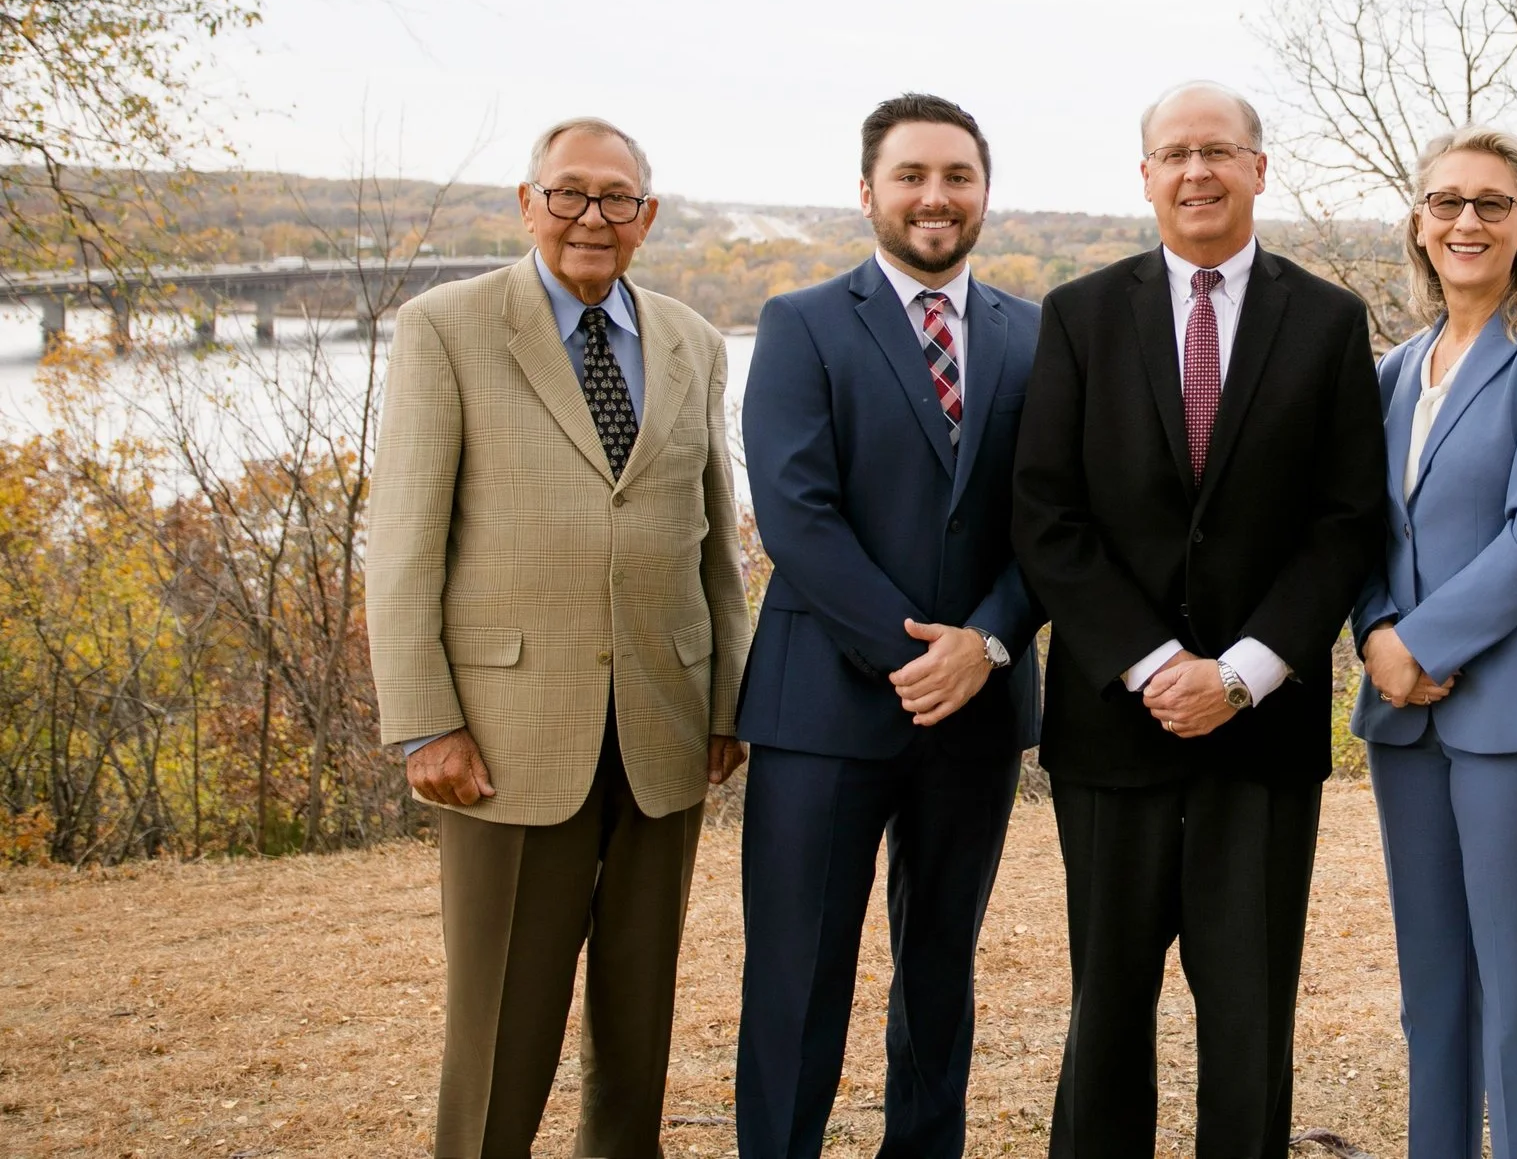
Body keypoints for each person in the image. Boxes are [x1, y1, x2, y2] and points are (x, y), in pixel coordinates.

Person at [1012, 81, 1387, 1159]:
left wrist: (1242, 671)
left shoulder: (1327, 320)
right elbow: (1046, 514)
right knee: (1106, 1011)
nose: (1196, 171)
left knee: (1249, 1018)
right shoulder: (1079, 315)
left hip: (1260, 734)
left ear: (1258, 168)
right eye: (1174, 153)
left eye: (1218, 150)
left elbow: (1345, 519)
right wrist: (1153, 661)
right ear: (1145, 176)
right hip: (1112, 730)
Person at [367, 116, 751, 1159]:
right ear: (528, 203)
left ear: (647, 216)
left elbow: (714, 537)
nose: (592, 215)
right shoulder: (447, 327)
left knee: (639, 1022)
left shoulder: (692, 340)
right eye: (569, 192)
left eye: (616, 197)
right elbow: (402, 543)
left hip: (664, 733)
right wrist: (425, 722)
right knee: (503, 1027)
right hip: (506, 740)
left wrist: (728, 699)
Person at [734, 94, 1043, 1159]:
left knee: (940, 972)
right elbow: (796, 515)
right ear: (868, 191)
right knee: (797, 976)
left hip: (978, 707)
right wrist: (920, 656)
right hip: (822, 706)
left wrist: (985, 643)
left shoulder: (1035, 333)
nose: (935, 195)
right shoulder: (801, 323)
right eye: (911, 174)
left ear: (984, 192)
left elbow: (1055, 519)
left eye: (957, 175)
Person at [1349, 126, 1517, 1159]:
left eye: (1491, 203)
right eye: (1447, 202)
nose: (1467, 220)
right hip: (1403, 714)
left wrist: (1418, 643)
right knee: (1432, 987)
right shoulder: (1395, 369)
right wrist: (1376, 633)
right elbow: (1363, 529)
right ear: (1418, 224)